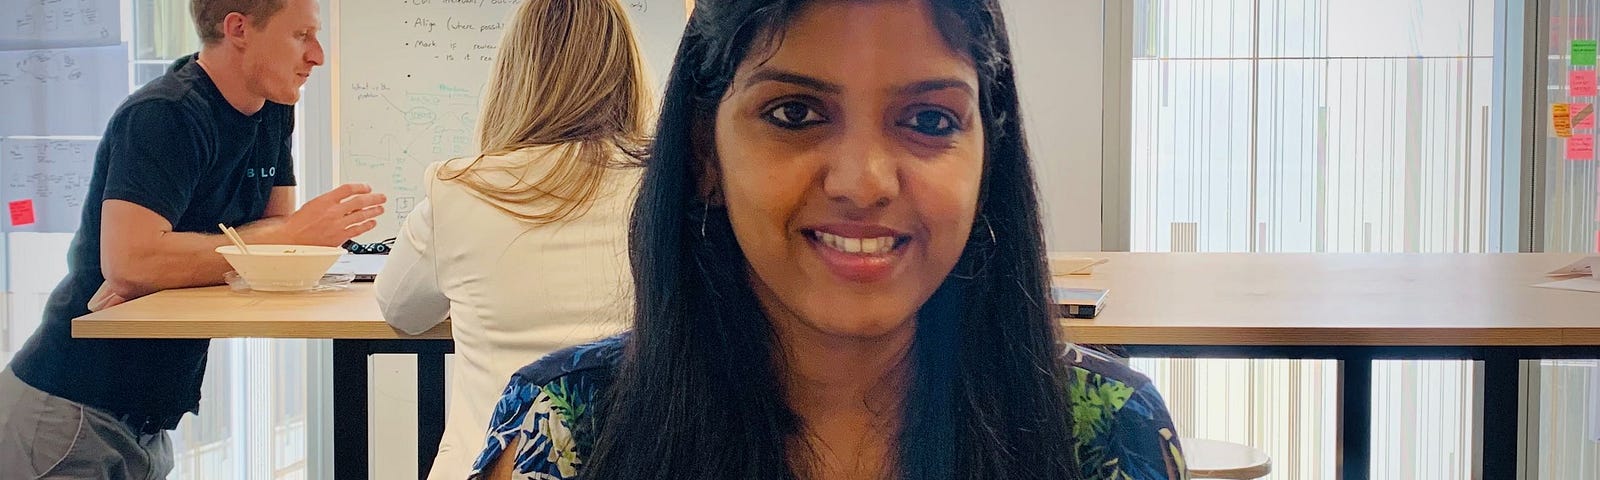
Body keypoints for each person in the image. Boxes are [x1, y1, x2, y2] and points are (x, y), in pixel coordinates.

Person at [469, 0, 1189, 479]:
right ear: (704, 153)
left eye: (931, 120)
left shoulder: (1103, 436)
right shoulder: (568, 434)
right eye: (793, 112)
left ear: (986, 159)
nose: (865, 181)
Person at [0, 0, 385, 477]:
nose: (318, 56)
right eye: (301, 36)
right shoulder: (164, 115)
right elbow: (130, 264)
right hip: (69, 411)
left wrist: (174, 265)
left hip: (150, 419)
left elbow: (270, 261)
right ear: (239, 29)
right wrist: (162, 264)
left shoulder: (273, 113)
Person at [373, 0, 650, 477]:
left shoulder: (458, 191)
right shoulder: (666, 189)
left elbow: (402, 310)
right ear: (627, 72)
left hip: (491, 466)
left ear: (513, 76)